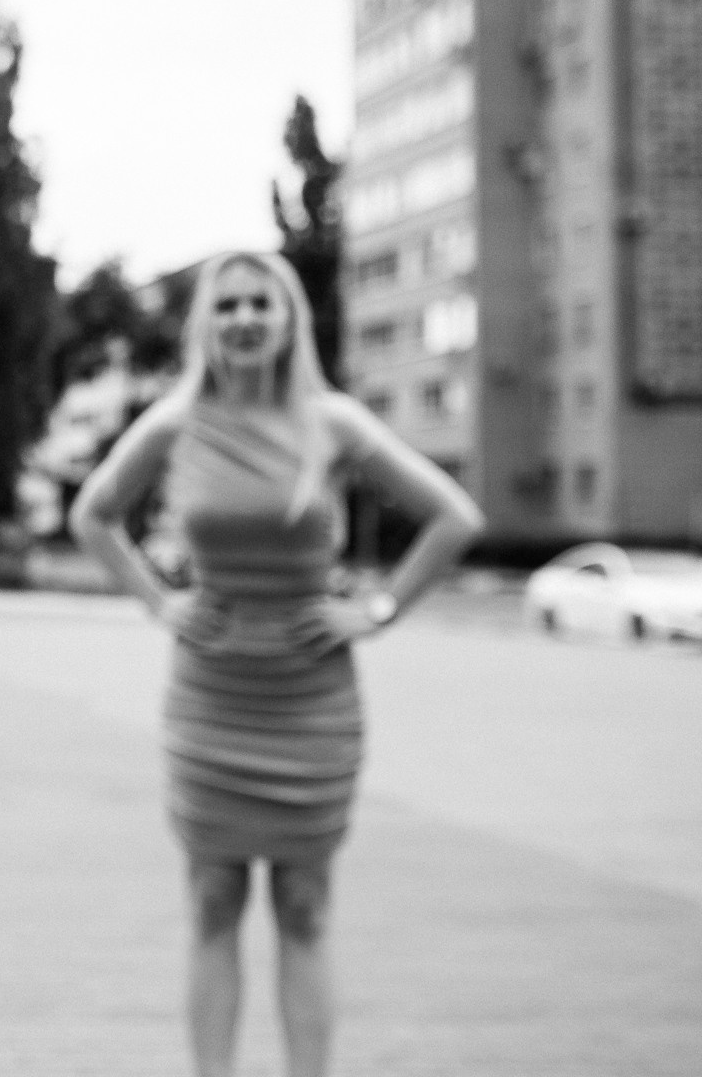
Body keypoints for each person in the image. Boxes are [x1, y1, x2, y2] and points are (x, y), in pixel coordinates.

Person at [70, 251, 484, 1077]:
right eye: (228, 307)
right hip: (211, 692)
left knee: (304, 906)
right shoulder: (173, 424)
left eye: (263, 303)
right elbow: (94, 515)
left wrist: (378, 610)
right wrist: (159, 601)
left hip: (311, 697)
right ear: (206, 326)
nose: (246, 319)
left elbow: (455, 518)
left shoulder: (332, 422)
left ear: (291, 319)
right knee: (213, 901)